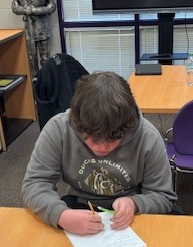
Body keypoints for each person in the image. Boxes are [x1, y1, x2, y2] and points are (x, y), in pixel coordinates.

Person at [22, 71, 177, 236]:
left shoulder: (148, 137)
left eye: (113, 139)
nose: (101, 148)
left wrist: (134, 203)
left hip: (133, 207)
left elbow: (163, 196)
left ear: (128, 127)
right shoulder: (58, 129)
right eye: (92, 138)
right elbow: (34, 184)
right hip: (80, 205)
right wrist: (61, 215)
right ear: (77, 124)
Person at [11, 0, 56, 78]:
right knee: (31, 59)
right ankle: (35, 82)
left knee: (45, 59)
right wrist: (25, 10)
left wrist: (35, 10)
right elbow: (15, 7)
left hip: (43, 28)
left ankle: (47, 80)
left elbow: (52, 6)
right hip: (29, 30)